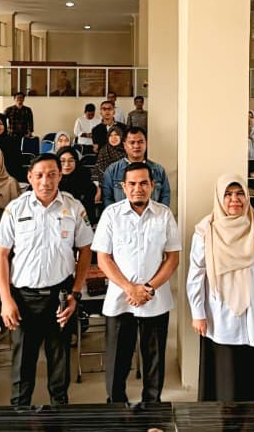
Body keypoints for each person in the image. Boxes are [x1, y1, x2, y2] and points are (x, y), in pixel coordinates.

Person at [0, 154, 93, 406]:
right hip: (23, 298)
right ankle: (20, 412)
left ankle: (60, 413)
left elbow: (85, 250)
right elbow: (1, 254)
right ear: (30, 177)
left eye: (51, 174)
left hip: (60, 297)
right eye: (39, 175)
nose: (45, 181)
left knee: (60, 363)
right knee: (22, 365)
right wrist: (5, 300)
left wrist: (75, 293)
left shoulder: (74, 207)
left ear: (60, 175)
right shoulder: (16, 209)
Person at [187, 174, 254, 403]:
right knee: (223, 376)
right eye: (228, 194)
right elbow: (196, 275)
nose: (234, 200)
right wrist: (198, 313)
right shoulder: (205, 231)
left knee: (251, 378)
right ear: (219, 198)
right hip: (218, 313)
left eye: (240, 193)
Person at [93, 162, 181, 404]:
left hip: (155, 297)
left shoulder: (164, 214)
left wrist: (149, 288)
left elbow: (173, 258)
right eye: (132, 184)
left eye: (143, 183)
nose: (137, 188)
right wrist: (130, 288)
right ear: (123, 187)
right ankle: (116, 407)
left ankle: (152, 407)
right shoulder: (111, 215)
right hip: (121, 299)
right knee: (118, 359)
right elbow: (103, 258)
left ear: (153, 185)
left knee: (154, 359)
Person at [101, 126, 170, 209]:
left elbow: (165, 197)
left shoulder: (159, 170)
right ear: (124, 145)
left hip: (153, 216)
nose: (136, 146)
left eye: (140, 142)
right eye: (132, 142)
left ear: (146, 143)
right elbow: (107, 199)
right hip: (121, 216)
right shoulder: (112, 170)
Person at [58, 148, 98, 225]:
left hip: (80, 222)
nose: (67, 164)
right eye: (62, 161)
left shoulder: (85, 181)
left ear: (76, 162)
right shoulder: (52, 181)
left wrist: (87, 224)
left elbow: (89, 211)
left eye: (71, 161)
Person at [91, 124, 127, 189]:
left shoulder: (127, 149)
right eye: (111, 135)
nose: (113, 138)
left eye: (116, 135)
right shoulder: (104, 150)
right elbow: (97, 169)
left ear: (121, 136)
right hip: (107, 184)